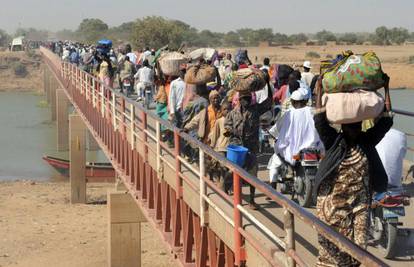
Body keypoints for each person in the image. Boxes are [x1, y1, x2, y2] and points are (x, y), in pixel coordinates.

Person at [313, 78, 393, 266]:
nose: (355, 130)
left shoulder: (366, 142)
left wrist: (387, 89)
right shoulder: (333, 142)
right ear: (343, 126)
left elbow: (386, 121)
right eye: (351, 126)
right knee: (332, 252)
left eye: (357, 126)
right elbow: (320, 120)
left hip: (360, 205)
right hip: (333, 204)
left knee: (359, 251)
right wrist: (318, 91)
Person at [267, 90, 324, 190]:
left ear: (292, 102)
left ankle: (272, 190)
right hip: (314, 147)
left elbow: (276, 130)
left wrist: (272, 134)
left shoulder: (288, 114)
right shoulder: (312, 111)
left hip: (291, 150)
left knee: (274, 164)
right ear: (306, 101)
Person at [224, 93, 260, 209]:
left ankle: (252, 199)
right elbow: (227, 125)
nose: (247, 101)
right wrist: (232, 131)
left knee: (253, 174)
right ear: (240, 100)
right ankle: (226, 189)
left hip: (251, 146)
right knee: (232, 171)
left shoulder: (254, 112)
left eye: (249, 99)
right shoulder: (233, 113)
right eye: (245, 99)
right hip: (237, 145)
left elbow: (267, 103)